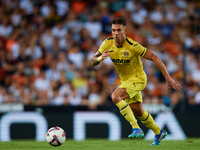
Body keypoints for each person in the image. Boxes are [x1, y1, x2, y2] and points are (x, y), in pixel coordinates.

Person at [91, 17, 182, 145]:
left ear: (125, 31)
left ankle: (136, 128)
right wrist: (100, 58)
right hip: (126, 82)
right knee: (138, 111)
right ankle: (158, 131)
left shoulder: (133, 46)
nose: (116, 33)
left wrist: (168, 78)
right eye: (113, 30)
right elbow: (92, 61)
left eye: (119, 30)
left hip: (139, 79)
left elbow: (154, 57)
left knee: (115, 97)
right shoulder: (107, 43)